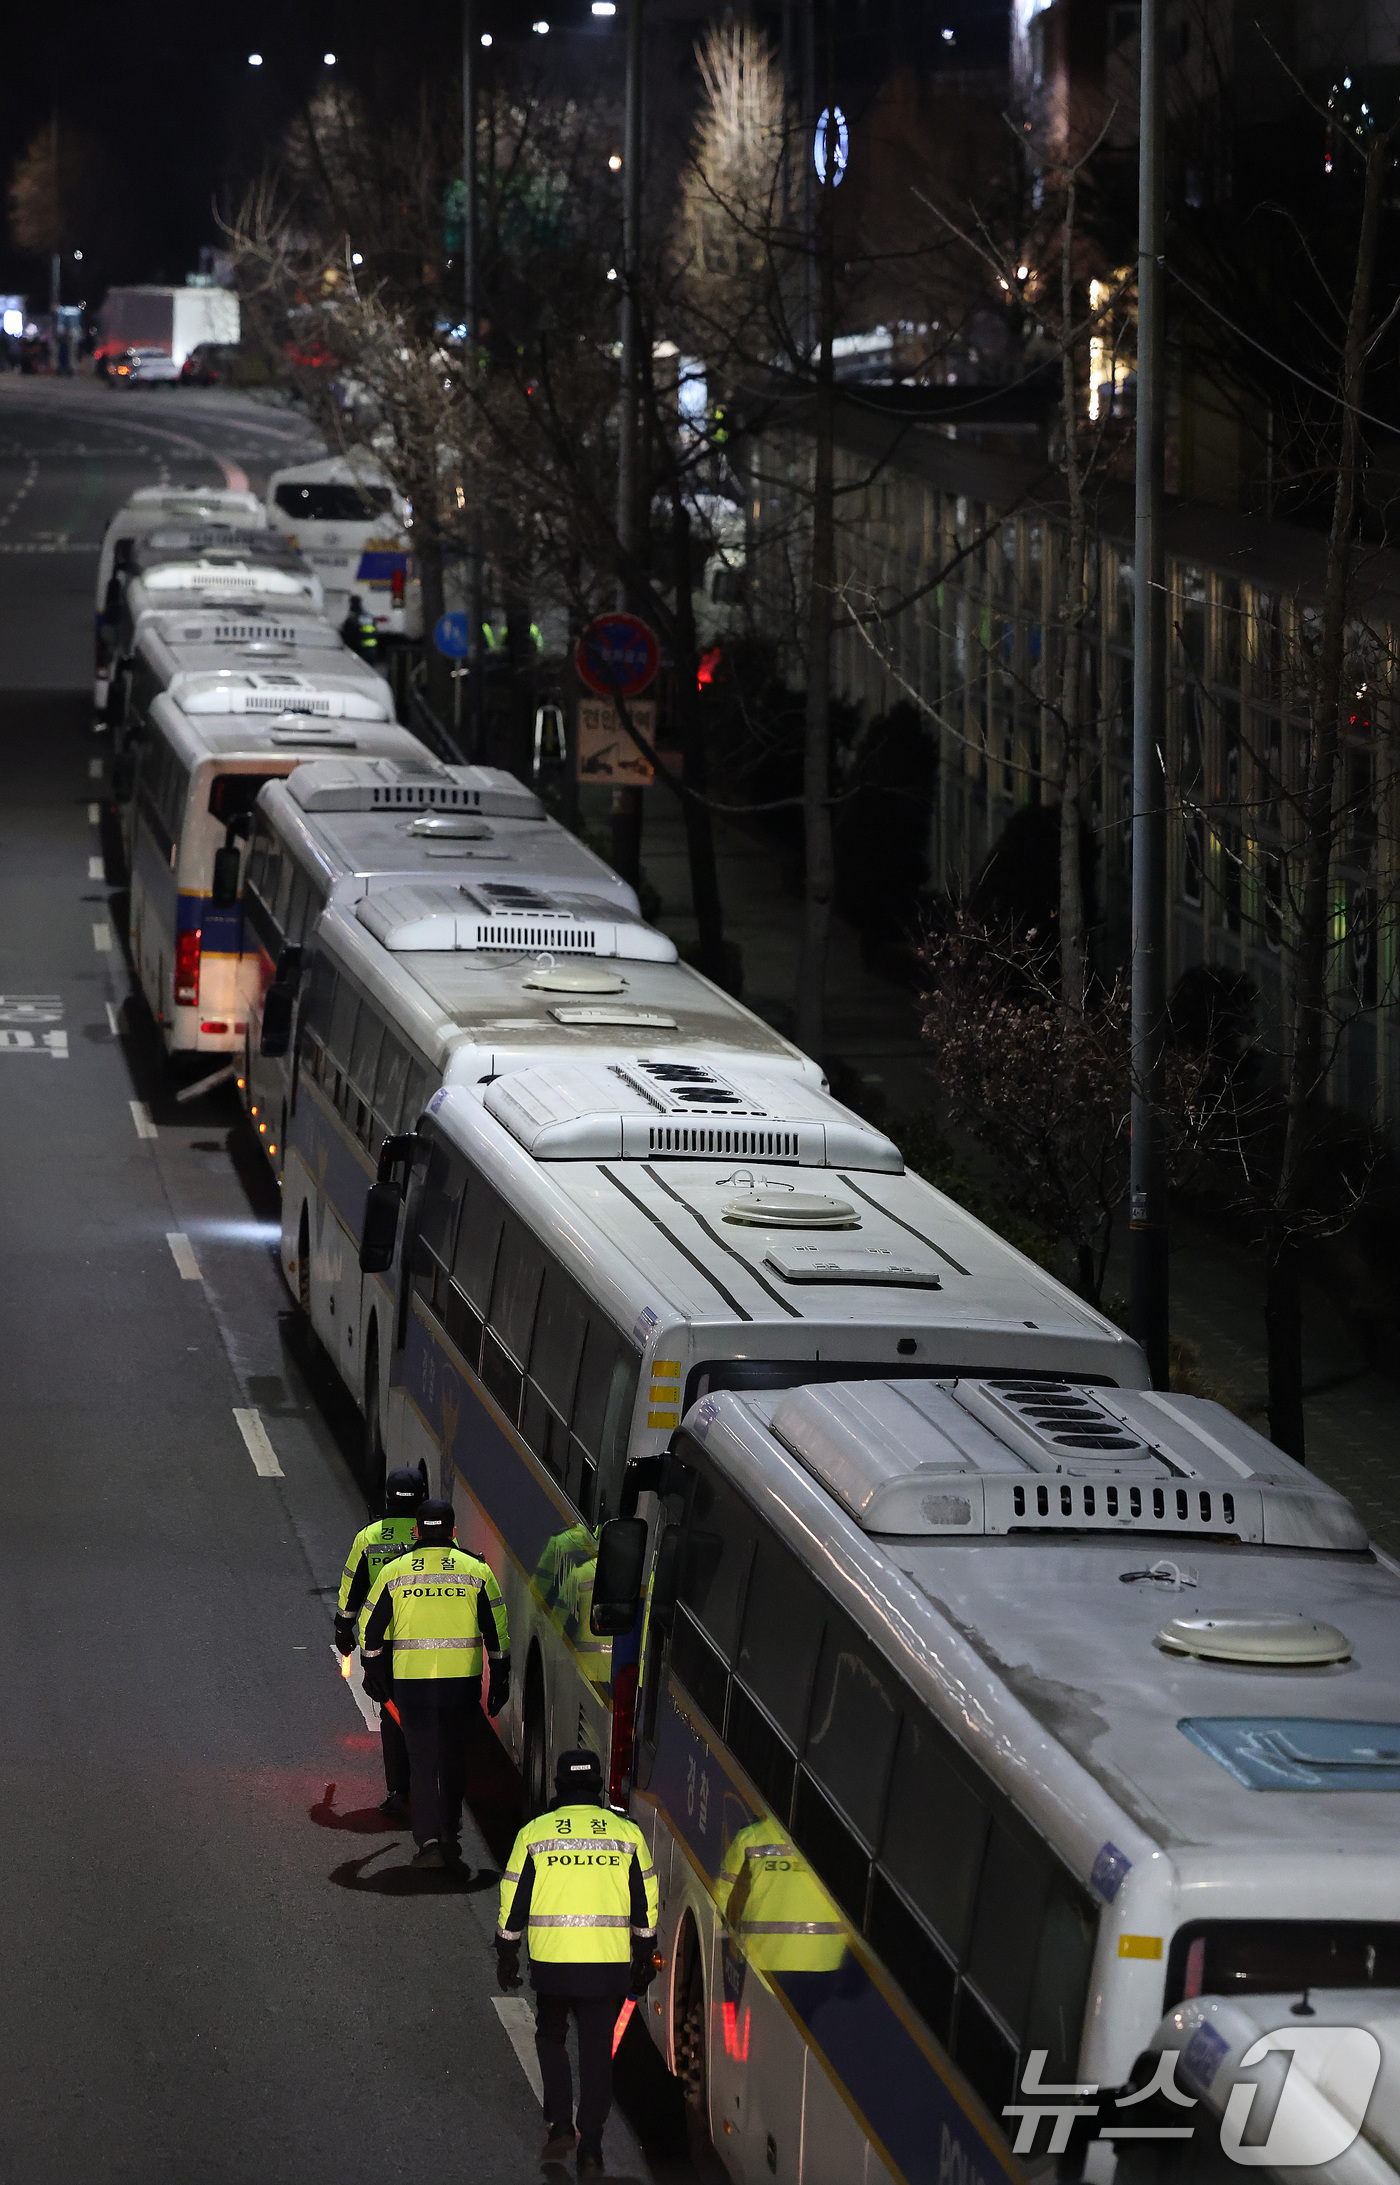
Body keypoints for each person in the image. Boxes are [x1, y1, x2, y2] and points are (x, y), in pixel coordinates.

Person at [495, 1750, 659, 2176]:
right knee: (596, 2053)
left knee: (551, 2037)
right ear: (599, 1786)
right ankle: (592, 2148)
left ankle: (561, 2126)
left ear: (558, 1785)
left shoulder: (535, 1833)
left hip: (553, 1963)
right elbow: (645, 1900)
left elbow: (514, 1897)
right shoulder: (627, 1834)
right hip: (606, 1965)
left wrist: (508, 1952)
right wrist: (644, 1953)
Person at [360, 1499, 508, 1870]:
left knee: (422, 1760)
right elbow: (497, 1630)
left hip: (412, 1683)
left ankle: (427, 1839)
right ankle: (449, 1826)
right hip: (461, 1684)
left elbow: (370, 1629)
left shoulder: (394, 1572)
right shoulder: (476, 1570)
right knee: (454, 1756)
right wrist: (500, 1678)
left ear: (417, 1532)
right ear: (454, 1533)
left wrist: (374, 1672)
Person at [334, 1463, 428, 1821]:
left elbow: (351, 1588)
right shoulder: (432, 1533)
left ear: (387, 1498)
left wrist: (343, 1631)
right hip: (429, 1640)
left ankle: (399, 1792)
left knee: (393, 1716)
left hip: (384, 1645)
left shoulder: (370, 1537)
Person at [338, 593, 378, 657]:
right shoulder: (368, 616)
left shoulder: (353, 618)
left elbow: (348, 635)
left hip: (360, 651)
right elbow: (375, 631)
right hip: (372, 650)